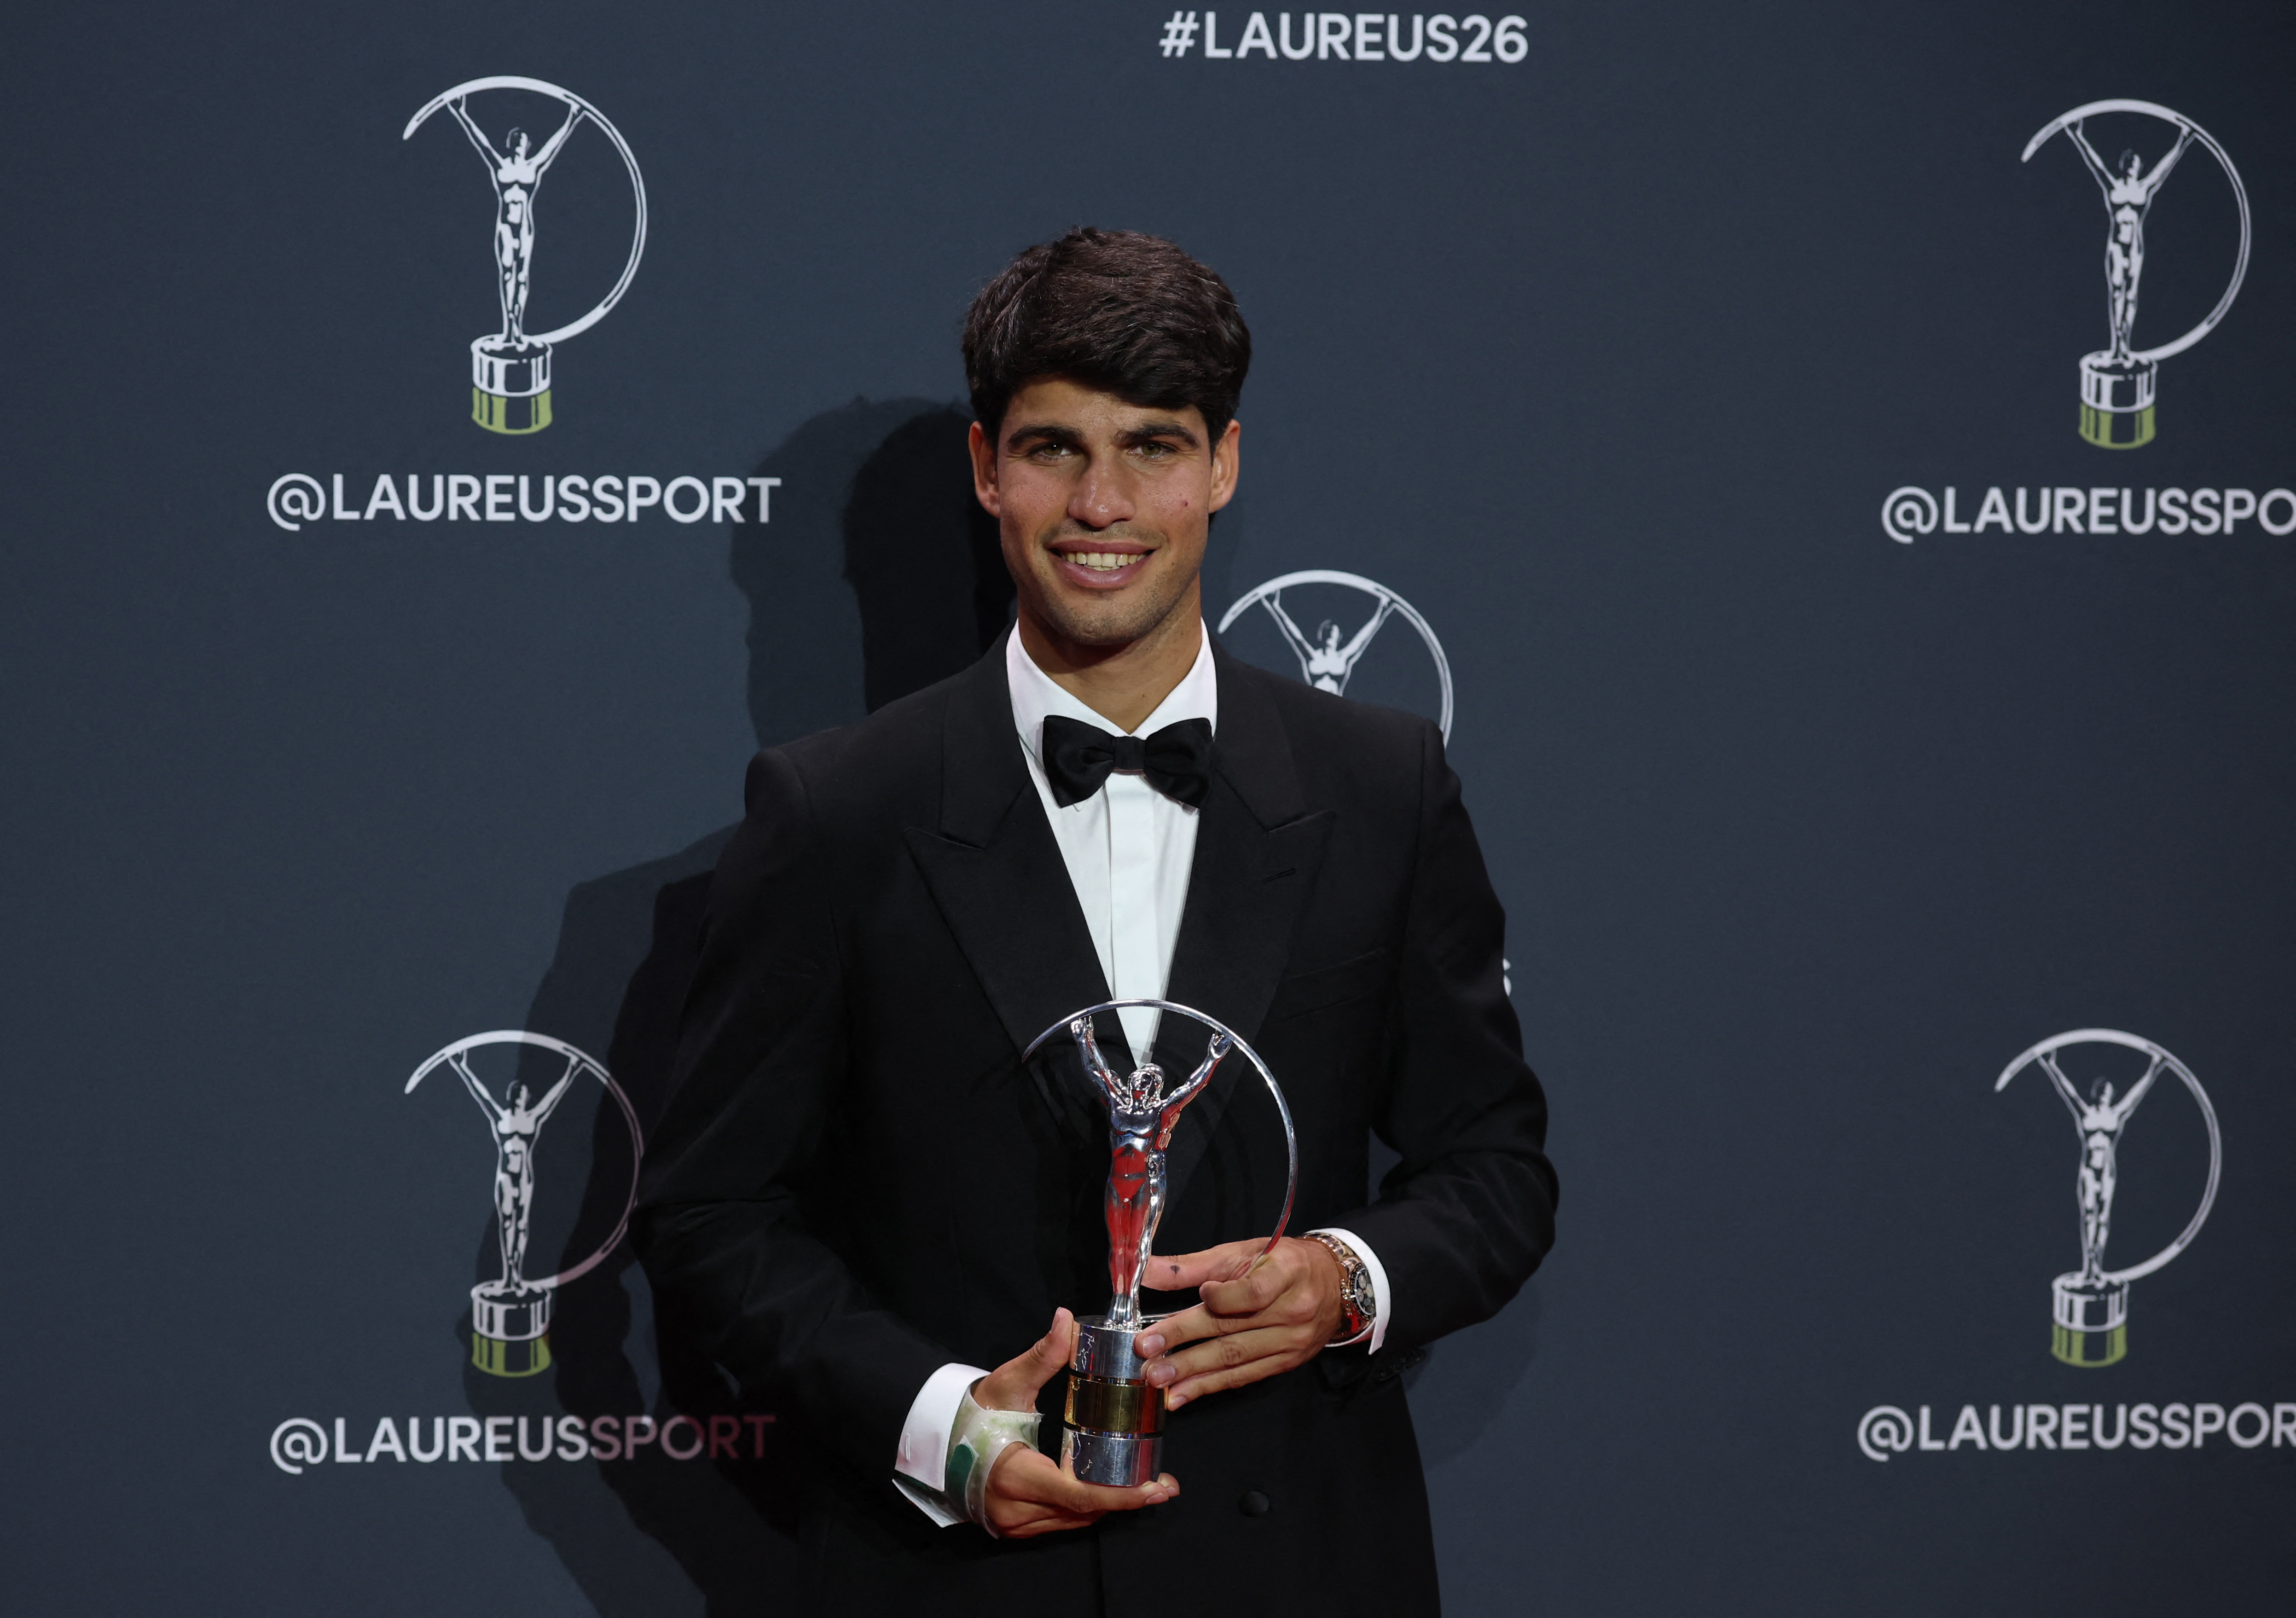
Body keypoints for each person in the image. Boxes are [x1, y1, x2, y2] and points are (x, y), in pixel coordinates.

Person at [634, 227, 1556, 1615]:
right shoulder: (839, 812)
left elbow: (1495, 1168)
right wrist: (945, 1426)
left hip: (1298, 1568)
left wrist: (1347, 1279)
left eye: (1153, 447)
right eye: (1054, 448)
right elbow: (712, 1214)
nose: (1101, 503)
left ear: (1223, 464)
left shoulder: (1383, 786)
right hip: (952, 1578)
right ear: (985, 469)